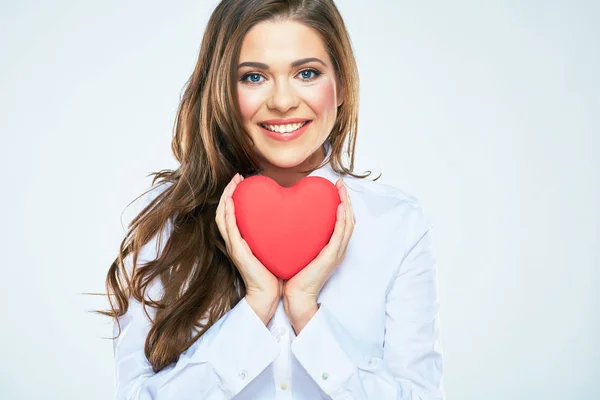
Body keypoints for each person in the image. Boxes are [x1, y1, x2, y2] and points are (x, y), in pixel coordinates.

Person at [102, 0, 445, 398]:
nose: (282, 101)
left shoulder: (396, 223)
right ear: (223, 91)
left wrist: (305, 311)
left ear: (342, 86)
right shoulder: (169, 219)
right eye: (253, 77)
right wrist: (256, 306)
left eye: (307, 73)